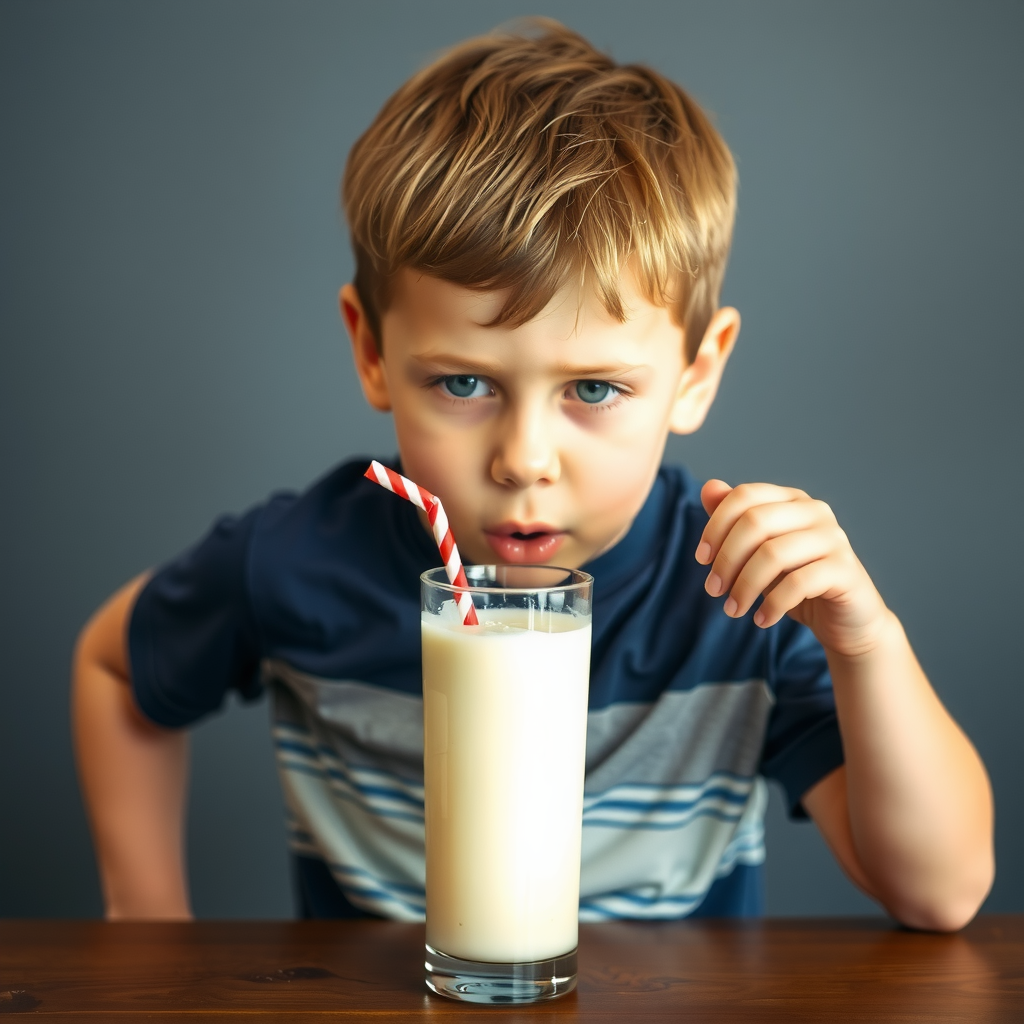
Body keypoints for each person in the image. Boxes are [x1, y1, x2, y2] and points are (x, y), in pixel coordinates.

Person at [72, 20, 993, 928]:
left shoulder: (736, 594)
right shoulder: (300, 560)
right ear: (372, 351)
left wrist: (865, 644)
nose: (523, 459)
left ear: (696, 372)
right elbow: (115, 667)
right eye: (463, 383)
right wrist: (146, 921)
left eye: (593, 388)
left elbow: (939, 891)